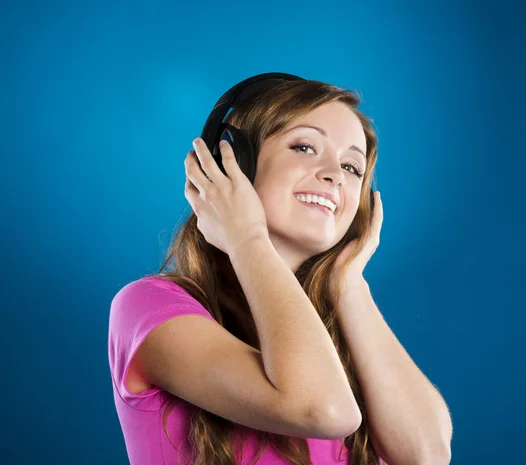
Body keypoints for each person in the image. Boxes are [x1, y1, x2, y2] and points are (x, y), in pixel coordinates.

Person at [108, 77, 384, 465]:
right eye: (305, 146)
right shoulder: (147, 308)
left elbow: (427, 453)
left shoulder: (339, 330)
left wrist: (349, 282)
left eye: (352, 167)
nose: (335, 175)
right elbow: (326, 410)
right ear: (232, 162)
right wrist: (247, 238)